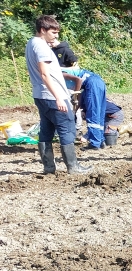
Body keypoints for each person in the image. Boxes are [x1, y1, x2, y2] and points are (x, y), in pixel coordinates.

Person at [25, 15, 91, 175]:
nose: (56, 36)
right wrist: (58, 97)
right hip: (51, 95)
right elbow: (45, 74)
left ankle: (48, 167)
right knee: (67, 127)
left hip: (40, 95)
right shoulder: (41, 46)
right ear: (42, 30)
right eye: (53, 32)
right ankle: (73, 167)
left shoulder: (31, 43)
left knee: (46, 129)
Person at [62, 67, 109, 150]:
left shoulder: (60, 73)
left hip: (91, 83)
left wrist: (74, 95)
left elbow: (78, 81)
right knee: (99, 114)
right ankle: (100, 141)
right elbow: (80, 95)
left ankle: (94, 144)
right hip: (98, 82)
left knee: (92, 113)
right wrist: (74, 111)